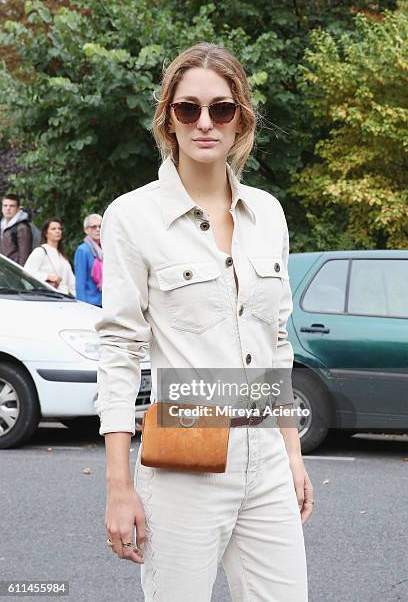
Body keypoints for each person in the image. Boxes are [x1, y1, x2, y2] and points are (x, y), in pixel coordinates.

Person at [95, 42, 314, 602]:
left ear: (241, 116)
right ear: (168, 116)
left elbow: (277, 346)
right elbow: (119, 350)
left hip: (265, 455)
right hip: (184, 455)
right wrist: (119, 485)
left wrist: (291, 455)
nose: (205, 123)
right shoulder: (132, 216)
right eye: (188, 109)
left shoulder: (268, 213)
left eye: (221, 108)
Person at [24, 218, 76, 295]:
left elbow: (71, 282)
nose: (57, 231)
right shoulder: (40, 251)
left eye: (59, 229)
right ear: (46, 233)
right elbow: (27, 272)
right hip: (47, 296)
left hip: (64, 297)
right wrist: (47, 276)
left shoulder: (62, 255)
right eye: (53, 229)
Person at [74, 214, 103, 306]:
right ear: (86, 230)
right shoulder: (83, 250)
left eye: (100, 226)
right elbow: (80, 282)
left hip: (105, 301)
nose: (98, 229)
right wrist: (82, 305)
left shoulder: (105, 249)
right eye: (94, 227)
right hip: (90, 302)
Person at [0, 194, 33, 265]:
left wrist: (19, 275)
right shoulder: (2, 225)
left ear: (18, 208)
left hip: (13, 272)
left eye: (12, 206)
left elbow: (24, 257)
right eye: (5, 205)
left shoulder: (22, 228)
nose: (8, 208)